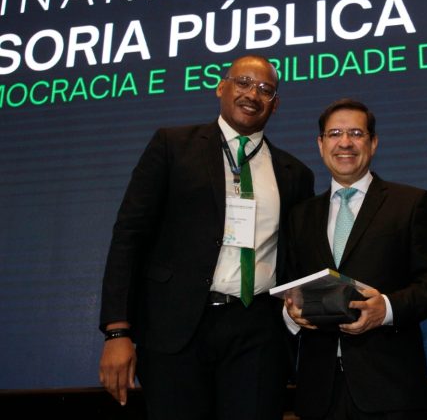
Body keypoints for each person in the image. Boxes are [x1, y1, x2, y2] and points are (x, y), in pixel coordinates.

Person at [98, 55, 315, 420]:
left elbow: (296, 257)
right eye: (243, 82)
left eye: (265, 89)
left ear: (275, 105)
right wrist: (117, 331)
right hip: (176, 330)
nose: (253, 95)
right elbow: (129, 235)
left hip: (257, 333)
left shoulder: (296, 174)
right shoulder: (172, 145)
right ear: (221, 87)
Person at [283, 98, 427, 420]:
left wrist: (385, 309)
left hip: (390, 390)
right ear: (320, 144)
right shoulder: (300, 215)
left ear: (373, 143)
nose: (345, 142)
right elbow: (289, 284)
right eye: (334, 134)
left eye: (356, 133)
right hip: (319, 394)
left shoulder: (409, 203)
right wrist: (291, 314)